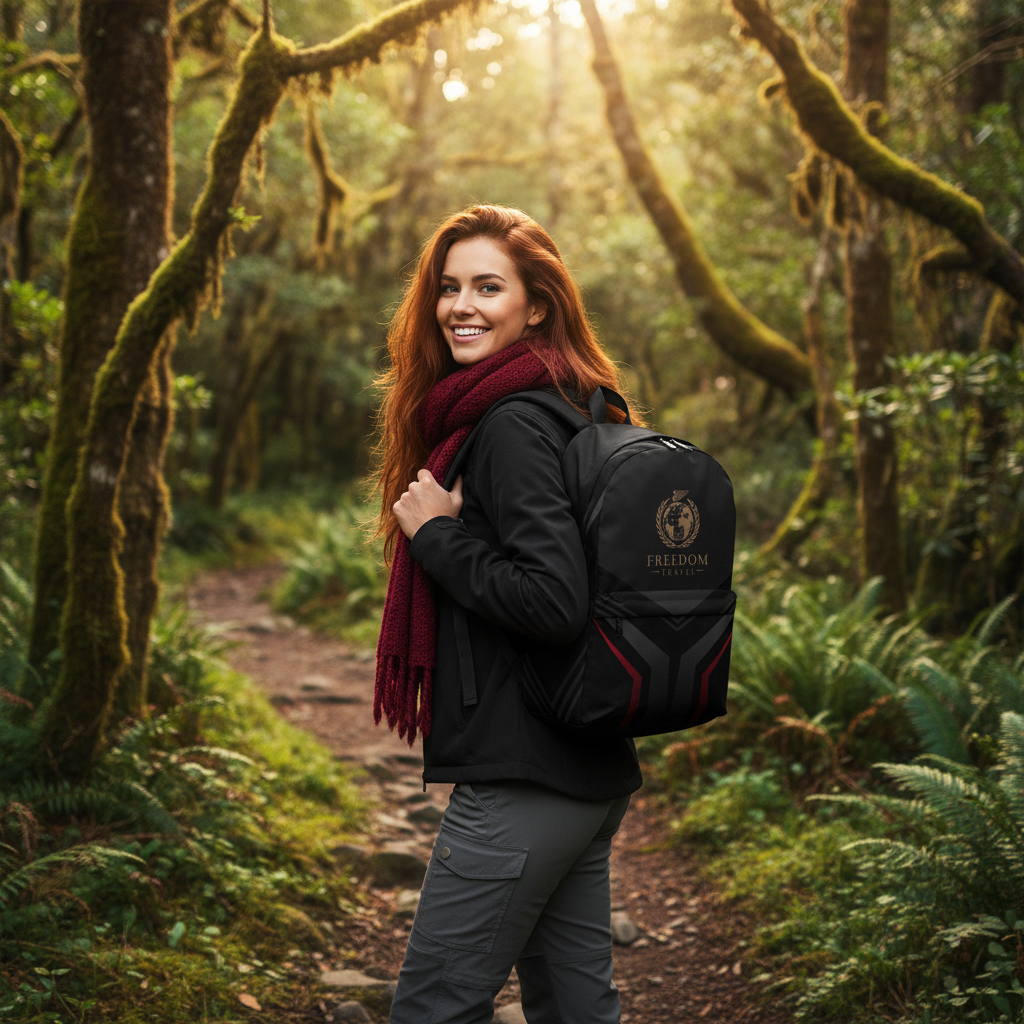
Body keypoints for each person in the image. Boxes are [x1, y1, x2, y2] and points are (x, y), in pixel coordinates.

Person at [373, 204, 642, 1023]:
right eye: (448, 287)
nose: (462, 305)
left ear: (537, 306)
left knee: (432, 1007)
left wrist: (439, 539)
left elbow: (554, 602)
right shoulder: (576, 407)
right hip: (585, 760)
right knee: (572, 1008)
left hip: (526, 773)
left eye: (488, 287)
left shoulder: (514, 424)